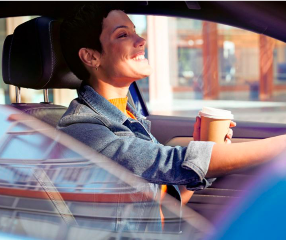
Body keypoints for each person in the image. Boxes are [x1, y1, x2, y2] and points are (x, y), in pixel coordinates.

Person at [57, 3, 286, 233]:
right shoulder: (82, 129)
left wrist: (205, 156)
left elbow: (162, 206)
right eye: (123, 35)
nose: (141, 40)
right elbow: (166, 162)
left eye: (135, 31)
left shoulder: (128, 116)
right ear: (91, 56)